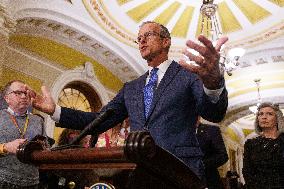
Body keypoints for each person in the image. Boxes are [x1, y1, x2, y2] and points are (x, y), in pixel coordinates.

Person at [31, 21, 228, 187]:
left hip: (180, 170)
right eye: (139, 37)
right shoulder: (131, 87)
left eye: (148, 35)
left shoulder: (187, 75)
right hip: (139, 170)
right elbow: (99, 121)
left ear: (165, 41)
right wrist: (55, 110)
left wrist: (213, 83)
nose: (141, 40)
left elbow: (214, 113)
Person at [0, 80, 48, 188]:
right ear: (7, 98)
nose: (24, 96)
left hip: (32, 182)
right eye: (18, 93)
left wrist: (43, 148)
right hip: (3, 180)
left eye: (26, 93)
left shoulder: (37, 120)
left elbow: (46, 148)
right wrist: (6, 147)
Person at [242, 102, 284, 189]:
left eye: (269, 114)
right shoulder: (250, 144)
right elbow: (247, 171)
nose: (264, 117)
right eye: (261, 114)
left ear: (277, 119)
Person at [196, 118, 228, 189]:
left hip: (208, 180)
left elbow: (223, 155)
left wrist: (202, 164)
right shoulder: (178, 132)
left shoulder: (211, 130)